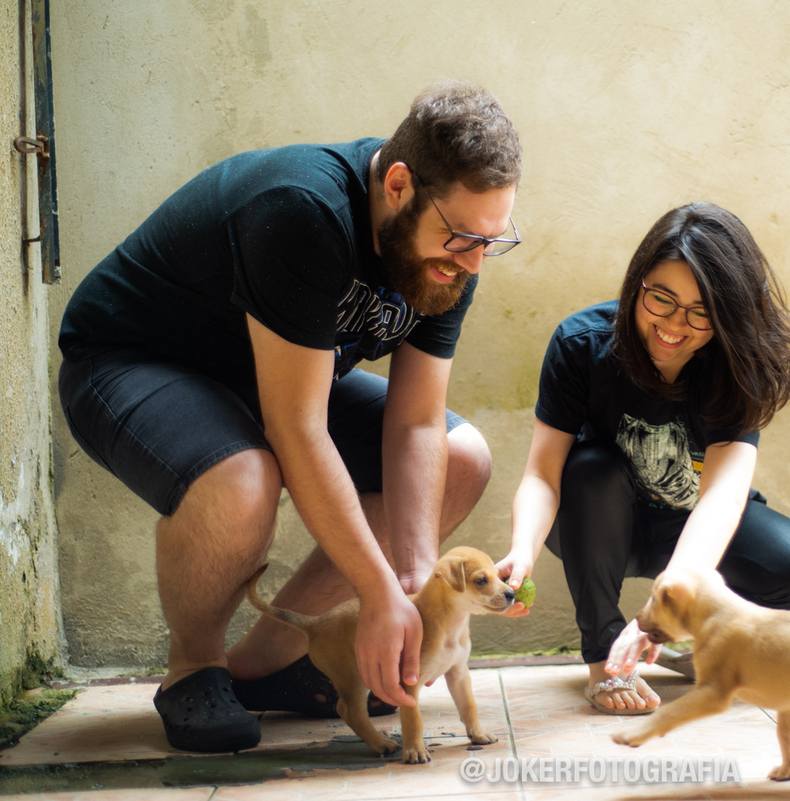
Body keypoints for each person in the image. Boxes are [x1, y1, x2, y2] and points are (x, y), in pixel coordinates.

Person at [57, 80, 522, 752]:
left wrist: (412, 579)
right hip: (130, 361)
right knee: (245, 475)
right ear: (397, 186)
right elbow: (296, 427)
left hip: (270, 376)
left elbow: (417, 421)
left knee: (464, 457)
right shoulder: (304, 209)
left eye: (494, 239)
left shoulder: (453, 250)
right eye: (461, 239)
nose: (474, 261)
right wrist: (373, 587)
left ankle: (269, 663)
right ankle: (196, 670)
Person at [498, 202, 790, 714]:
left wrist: (666, 606)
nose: (675, 324)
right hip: (605, 526)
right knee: (591, 469)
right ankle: (605, 659)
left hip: (697, 522)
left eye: (702, 311)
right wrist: (522, 551)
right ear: (638, 283)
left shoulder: (736, 362)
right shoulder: (581, 344)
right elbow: (543, 475)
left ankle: (700, 648)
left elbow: (723, 496)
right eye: (662, 299)